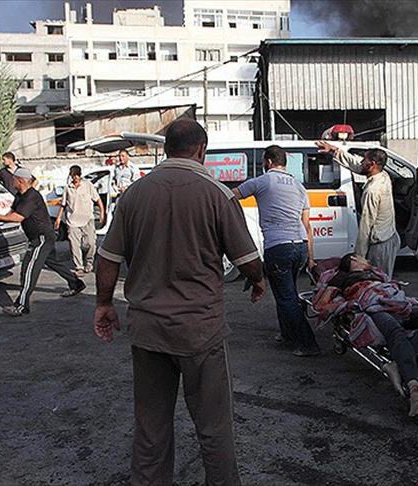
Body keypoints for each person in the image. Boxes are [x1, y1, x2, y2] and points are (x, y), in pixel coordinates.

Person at [93, 119, 265, 485]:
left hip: (148, 331)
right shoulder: (217, 194)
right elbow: (248, 260)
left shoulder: (134, 194)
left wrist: (103, 303)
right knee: (214, 428)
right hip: (200, 332)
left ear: (167, 148)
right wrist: (257, 281)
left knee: (151, 428)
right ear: (202, 149)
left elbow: (107, 258)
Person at [314, 253, 418, 417]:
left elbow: (391, 285)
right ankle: (415, 391)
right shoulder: (341, 277)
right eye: (363, 258)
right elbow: (323, 303)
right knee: (396, 332)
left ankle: (396, 363)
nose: (367, 260)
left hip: (398, 303)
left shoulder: (376, 273)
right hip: (375, 306)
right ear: (354, 260)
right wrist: (346, 304)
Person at [232, 145, 320, 357]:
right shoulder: (299, 186)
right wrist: (311, 258)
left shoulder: (263, 181)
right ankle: (288, 334)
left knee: (286, 296)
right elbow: (307, 225)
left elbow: (231, 195)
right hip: (300, 246)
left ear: (269, 162)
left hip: (279, 247)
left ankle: (308, 344)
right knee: (287, 291)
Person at [0, 167, 86, 317]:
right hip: (42, 236)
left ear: (20, 181)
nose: (11, 181)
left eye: (13, 179)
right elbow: (11, 213)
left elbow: (18, 218)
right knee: (52, 262)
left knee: (29, 268)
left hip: (41, 238)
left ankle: (22, 306)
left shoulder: (31, 197)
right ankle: (76, 283)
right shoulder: (20, 196)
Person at [316, 141, 400, 276]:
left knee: (377, 281)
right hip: (388, 237)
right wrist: (335, 151)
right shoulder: (383, 175)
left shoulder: (373, 190)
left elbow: (366, 225)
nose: (361, 162)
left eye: (364, 160)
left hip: (380, 245)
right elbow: (357, 166)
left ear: (372, 164)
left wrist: (359, 257)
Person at [54, 165, 105, 275]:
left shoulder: (88, 185)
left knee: (91, 243)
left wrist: (102, 213)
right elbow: (63, 205)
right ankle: (79, 267)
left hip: (87, 219)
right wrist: (58, 218)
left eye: (77, 175)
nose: (75, 178)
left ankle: (89, 262)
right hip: (72, 221)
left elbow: (98, 199)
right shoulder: (68, 188)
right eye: (73, 175)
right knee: (74, 245)